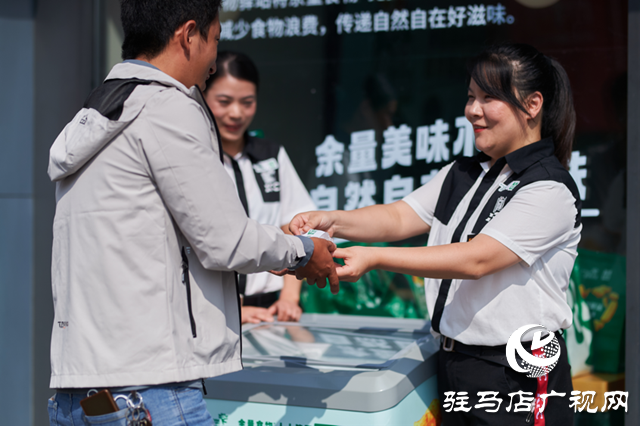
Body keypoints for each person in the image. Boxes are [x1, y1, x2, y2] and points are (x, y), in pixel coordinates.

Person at [46, 1, 337, 424]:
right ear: (188, 35)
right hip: (149, 390)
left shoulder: (99, 111)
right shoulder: (167, 107)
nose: (213, 61)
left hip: (78, 394)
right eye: (214, 39)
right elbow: (226, 240)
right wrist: (303, 251)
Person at [289, 43, 580, 425]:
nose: (473, 110)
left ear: (532, 104)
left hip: (520, 371)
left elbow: (476, 259)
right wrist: (330, 220)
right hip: (455, 362)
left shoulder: (549, 187)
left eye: (488, 98)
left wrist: (374, 257)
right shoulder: (463, 173)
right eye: (471, 97)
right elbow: (398, 217)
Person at [203, 51, 316, 324]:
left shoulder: (271, 155)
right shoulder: (198, 158)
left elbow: (297, 226)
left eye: (247, 102)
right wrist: (233, 311)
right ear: (203, 97)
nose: (236, 113)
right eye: (224, 101)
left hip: (273, 310)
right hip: (214, 310)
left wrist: (289, 298)